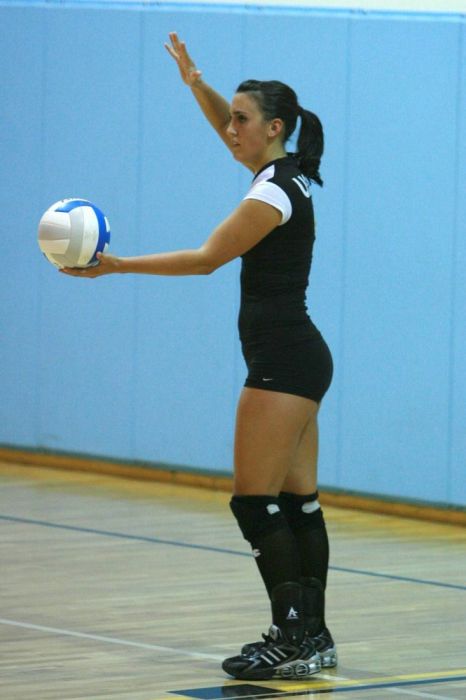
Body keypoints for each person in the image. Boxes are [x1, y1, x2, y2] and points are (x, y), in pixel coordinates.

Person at [61, 32, 336, 682]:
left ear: (273, 128)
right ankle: (312, 638)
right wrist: (197, 86)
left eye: (241, 120)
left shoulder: (270, 195)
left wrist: (117, 266)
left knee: (254, 502)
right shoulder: (284, 174)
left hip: (282, 363)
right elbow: (229, 131)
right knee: (298, 502)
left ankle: (291, 637)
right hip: (299, 358)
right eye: (230, 118)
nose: (230, 130)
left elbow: (208, 259)